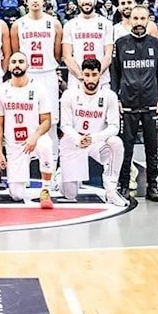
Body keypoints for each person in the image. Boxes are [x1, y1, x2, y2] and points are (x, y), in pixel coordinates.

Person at [111, 5, 158, 202]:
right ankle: (124, 185)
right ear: (130, 20)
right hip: (127, 105)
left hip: (151, 104)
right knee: (126, 149)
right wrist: (115, 98)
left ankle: (153, 186)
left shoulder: (155, 43)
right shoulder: (120, 44)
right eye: (135, 18)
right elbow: (115, 74)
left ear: (148, 20)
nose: (139, 22)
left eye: (143, 18)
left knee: (152, 149)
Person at [59, 58, 129, 207]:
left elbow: (114, 127)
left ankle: (111, 189)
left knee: (116, 143)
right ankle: (63, 176)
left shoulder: (109, 96)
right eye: (87, 75)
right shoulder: (69, 95)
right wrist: (78, 139)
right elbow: (64, 125)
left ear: (100, 75)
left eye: (94, 75)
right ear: (82, 75)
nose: (90, 79)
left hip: (96, 143)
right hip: (74, 143)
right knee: (70, 194)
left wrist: (93, 137)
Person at [0, 52, 55, 207]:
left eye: (21, 61)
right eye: (13, 61)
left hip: (34, 139)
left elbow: (47, 121)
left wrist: (35, 136)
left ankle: (46, 190)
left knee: (46, 144)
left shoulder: (39, 89)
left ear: (28, 65)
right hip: (15, 145)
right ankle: (20, 178)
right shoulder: (0, 91)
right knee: (16, 195)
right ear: (9, 65)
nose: (17, 64)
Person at [10, 0, 63, 162]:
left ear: (43, 0)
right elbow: (16, 53)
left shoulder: (54, 23)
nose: (34, 0)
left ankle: (53, 162)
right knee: (26, 119)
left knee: (52, 121)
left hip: (47, 74)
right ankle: (26, 161)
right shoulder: (18, 24)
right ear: (25, 1)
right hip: (28, 75)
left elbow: (57, 53)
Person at [61, 0, 115, 91]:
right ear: (78, 1)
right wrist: (82, 76)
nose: (87, 1)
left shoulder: (106, 24)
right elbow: (66, 56)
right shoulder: (70, 25)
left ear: (95, 0)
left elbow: (108, 55)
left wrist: (95, 75)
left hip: (101, 80)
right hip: (76, 81)